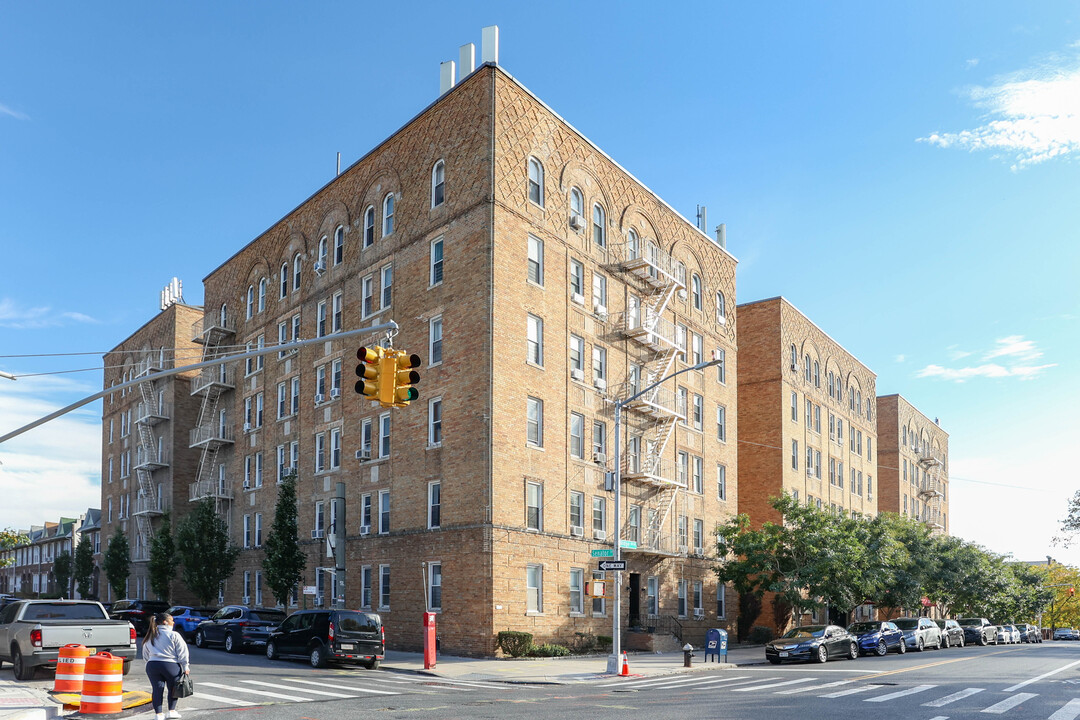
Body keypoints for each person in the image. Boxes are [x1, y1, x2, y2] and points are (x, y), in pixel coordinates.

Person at [142, 612, 190, 720]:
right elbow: (182, 651)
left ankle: (158, 714)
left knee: (157, 689)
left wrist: (148, 662)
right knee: (173, 688)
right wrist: (185, 666)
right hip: (171, 665)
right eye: (172, 620)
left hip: (152, 665)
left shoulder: (151, 635)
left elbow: (145, 653)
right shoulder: (174, 635)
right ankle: (171, 711)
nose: (173, 622)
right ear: (165, 622)